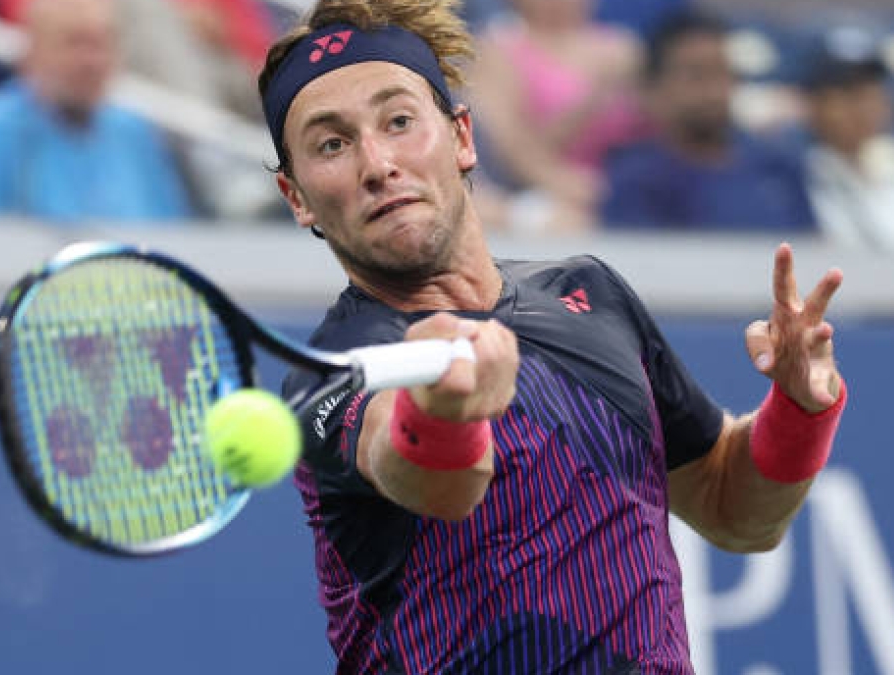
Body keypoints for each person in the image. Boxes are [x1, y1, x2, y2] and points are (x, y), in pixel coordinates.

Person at [264, 0, 848, 672]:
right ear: (297, 194)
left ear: (461, 138)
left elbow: (733, 509)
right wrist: (447, 410)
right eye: (331, 144)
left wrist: (801, 409)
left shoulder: (590, 291)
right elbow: (436, 483)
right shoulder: (337, 369)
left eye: (399, 121)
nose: (377, 162)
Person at [0, 0, 191, 223]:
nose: (92, 61)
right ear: (33, 52)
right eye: (75, 42)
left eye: (102, 43)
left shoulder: (135, 131)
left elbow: (170, 246)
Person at [600, 10, 816, 233]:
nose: (714, 91)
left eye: (723, 73)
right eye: (696, 76)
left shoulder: (778, 168)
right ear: (653, 89)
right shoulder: (636, 180)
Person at [468, 0, 645, 234]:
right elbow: (509, 145)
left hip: (630, 190)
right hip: (543, 196)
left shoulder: (623, 47)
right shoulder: (496, 50)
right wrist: (563, 186)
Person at [800, 27, 894, 253]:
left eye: (872, 91)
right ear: (815, 104)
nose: (864, 106)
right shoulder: (794, 182)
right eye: (848, 93)